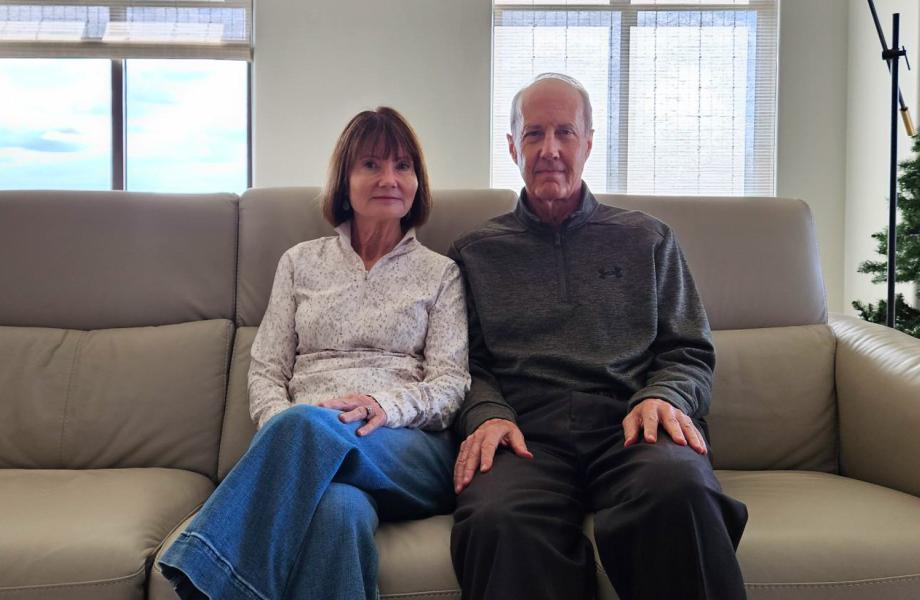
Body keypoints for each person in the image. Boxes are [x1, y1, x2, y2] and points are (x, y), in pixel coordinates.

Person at [448, 73, 748, 600]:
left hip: (631, 427)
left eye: (565, 133)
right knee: (497, 519)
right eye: (535, 134)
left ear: (588, 143)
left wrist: (664, 395)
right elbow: (460, 365)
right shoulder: (473, 252)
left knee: (681, 491)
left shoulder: (648, 237)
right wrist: (487, 413)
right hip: (524, 437)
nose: (550, 150)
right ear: (512, 145)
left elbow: (689, 349)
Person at [158, 106, 471, 600]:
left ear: (418, 182)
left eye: (403, 165)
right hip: (310, 448)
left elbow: (452, 383)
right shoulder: (300, 263)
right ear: (344, 180)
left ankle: (206, 578)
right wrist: (284, 425)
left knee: (306, 427)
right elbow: (266, 368)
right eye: (371, 164)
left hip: (405, 448)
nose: (389, 178)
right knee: (337, 512)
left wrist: (384, 406)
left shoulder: (441, 273)